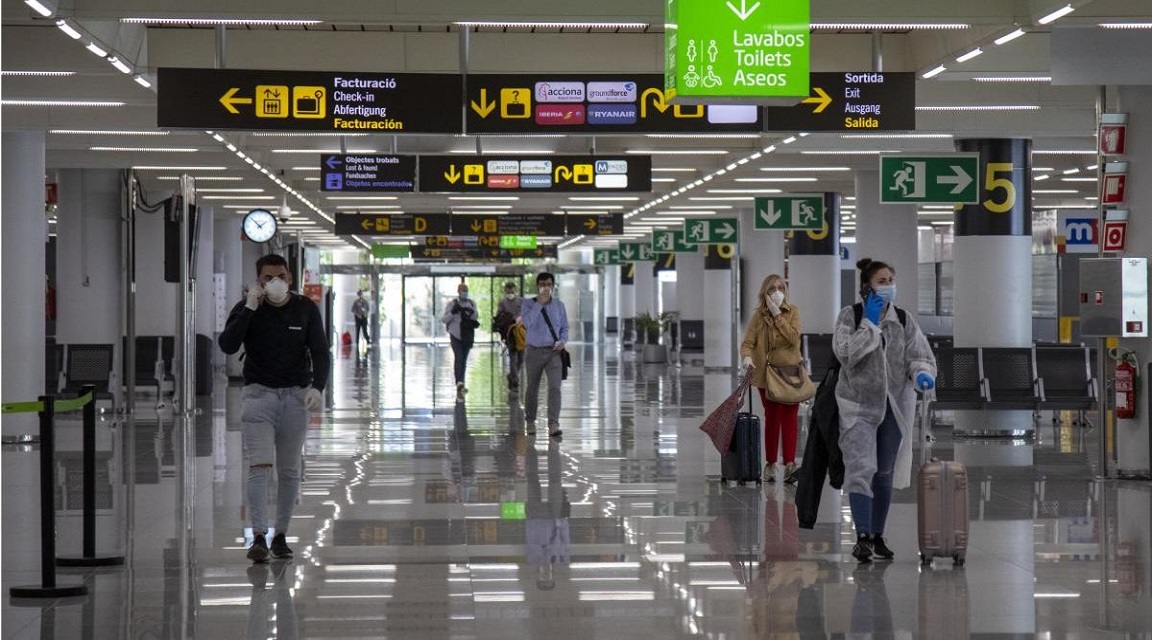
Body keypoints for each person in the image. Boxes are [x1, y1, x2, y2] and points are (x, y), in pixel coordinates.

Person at [219, 254, 330, 563]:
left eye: (280, 275)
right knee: (259, 466)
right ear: (259, 281)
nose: (275, 282)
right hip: (258, 397)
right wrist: (250, 308)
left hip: (296, 398)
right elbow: (227, 345)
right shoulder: (247, 308)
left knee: (290, 469)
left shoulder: (305, 309)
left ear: (290, 278)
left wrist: (318, 388)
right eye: (268, 278)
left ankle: (281, 534)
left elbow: (320, 351)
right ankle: (258, 536)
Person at [834, 258, 936, 563]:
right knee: (860, 469)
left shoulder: (903, 320)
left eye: (891, 279)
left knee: (884, 472)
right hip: (858, 406)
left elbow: (920, 355)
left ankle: (878, 535)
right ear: (867, 286)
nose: (889, 285)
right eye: (882, 280)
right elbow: (846, 354)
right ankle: (862, 536)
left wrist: (921, 372)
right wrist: (870, 325)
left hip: (894, 405)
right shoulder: (849, 316)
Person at [740, 274, 805, 484]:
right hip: (767, 376)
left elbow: (794, 338)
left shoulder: (792, 311)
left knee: (790, 418)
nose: (777, 292)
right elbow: (747, 342)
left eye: (780, 288)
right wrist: (747, 358)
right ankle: (770, 464)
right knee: (773, 418)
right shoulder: (759, 316)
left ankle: (790, 464)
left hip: (790, 373)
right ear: (764, 293)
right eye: (772, 289)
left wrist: (778, 316)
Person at [519, 272, 569, 438]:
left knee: (555, 387)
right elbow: (526, 322)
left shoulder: (559, 305)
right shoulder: (528, 304)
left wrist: (563, 341)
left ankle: (553, 423)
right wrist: (539, 304)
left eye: (548, 284)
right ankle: (530, 421)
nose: (545, 287)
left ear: (552, 286)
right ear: (537, 286)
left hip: (554, 352)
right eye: (542, 284)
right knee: (532, 387)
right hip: (534, 351)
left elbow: (564, 327)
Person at [442, 282, 478, 401]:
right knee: (459, 358)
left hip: (467, 335)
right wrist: (453, 312)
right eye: (462, 291)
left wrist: (469, 312)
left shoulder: (472, 303)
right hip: (455, 335)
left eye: (466, 291)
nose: (464, 293)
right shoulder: (452, 304)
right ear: (458, 292)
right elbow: (444, 319)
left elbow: (475, 317)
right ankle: (459, 383)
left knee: (464, 360)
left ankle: (461, 381)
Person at [495, 282, 525, 390]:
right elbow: (499, 316)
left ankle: (512, 376)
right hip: (510, 334)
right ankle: (515, 382)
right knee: (513, 358)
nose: (510, 294)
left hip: (521, 333)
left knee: (521, 359)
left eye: (512, 292)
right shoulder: (502, 303)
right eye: (508, 292)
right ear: (505, 292)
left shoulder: (521, 302)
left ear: (515, 291)